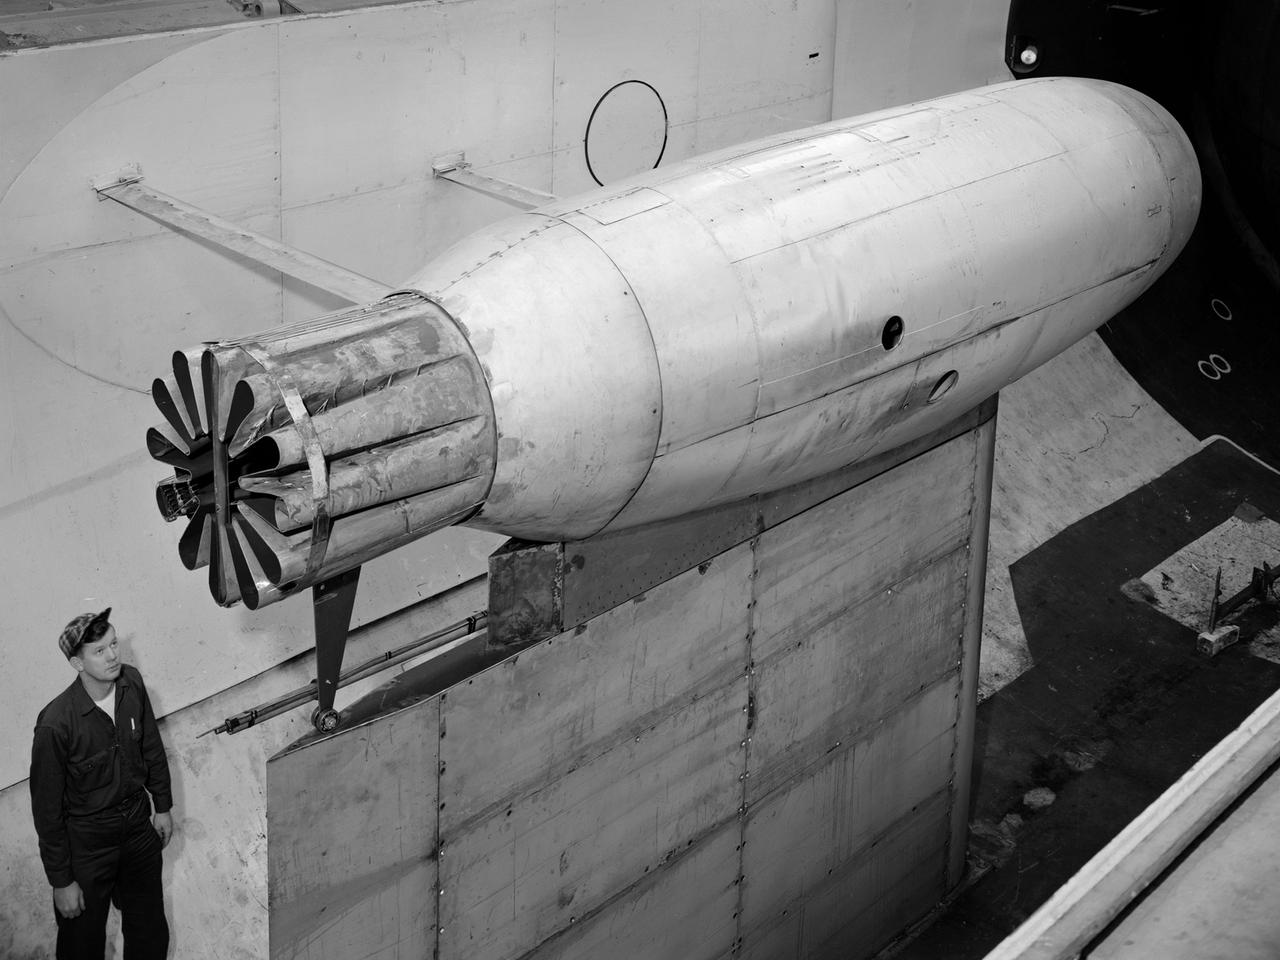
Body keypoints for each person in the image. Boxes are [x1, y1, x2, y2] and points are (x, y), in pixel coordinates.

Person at [30, 608, 175, 960]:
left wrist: (163, 807)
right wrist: (61, 881)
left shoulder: (132, 683)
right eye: (99, 651)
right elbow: (47, 812)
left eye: (114, 644)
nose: (113, 656)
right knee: (81, 944)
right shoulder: (55, 725)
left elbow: (151, 746)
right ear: (77, 663)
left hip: (138, 828)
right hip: (88, 843)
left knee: (150, 931)